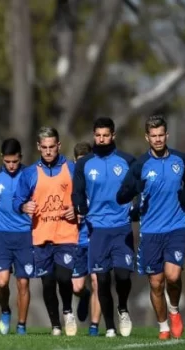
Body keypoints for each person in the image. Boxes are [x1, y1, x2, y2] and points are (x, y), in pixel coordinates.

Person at [117, 115, 185, 339]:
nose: (158, 139)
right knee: (156, 283)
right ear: (147, 137)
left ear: (167, 135)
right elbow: (121, 196)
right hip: (150, 231)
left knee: (173, 276)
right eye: (154, 136)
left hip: (176, 226)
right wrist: (135, 189)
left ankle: (174, 310)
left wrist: (184, 195)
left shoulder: (181, 159)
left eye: (161, 135)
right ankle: (163, 327)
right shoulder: (140, 165)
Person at [73, 118, 140, 338]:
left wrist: (136, 208)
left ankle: (123, 309)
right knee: (101, 280)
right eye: (98, 135)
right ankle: (110, 326)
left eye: (106, 135)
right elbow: (78, 191)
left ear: (113, 136)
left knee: (122, 276)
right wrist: (80, 205)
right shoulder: (85, 164)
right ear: (94, 135)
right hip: (98, 229)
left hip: (121, 228)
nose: (101, 139)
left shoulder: (127, 161)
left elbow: (141, 187)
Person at [13, 127, 78, 336]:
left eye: (52, 147)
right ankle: (55, 325)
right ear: (38, 147)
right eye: (45, 148)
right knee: (47, 283)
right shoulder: (30, 173)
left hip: (66, 234)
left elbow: (85, 197)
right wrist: (24, 207)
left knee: (64, 278)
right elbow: (16, 200)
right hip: (41, 236)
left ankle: (68, 312)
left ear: (59, 146)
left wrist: (76, 210)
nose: (49, 151)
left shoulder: (72, 169)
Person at [0, 138, 34, 335]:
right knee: (1, 282)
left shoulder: (30, 175)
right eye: (7, 162)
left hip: (25, 236)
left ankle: (21, 326)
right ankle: (5, 310)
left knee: (23, 283)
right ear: (2, 159)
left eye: (15, 161)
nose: (11, 166)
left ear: (20, 158)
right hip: (2, 236)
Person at [71, 141, 102, 336]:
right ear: (74, 162)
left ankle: (94, 326)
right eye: (79, 162)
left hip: (96, 237)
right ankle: (84, 296)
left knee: (97, 279)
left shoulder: (98, 181)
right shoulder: (69, 182)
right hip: (76, 240)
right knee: (77, 287)